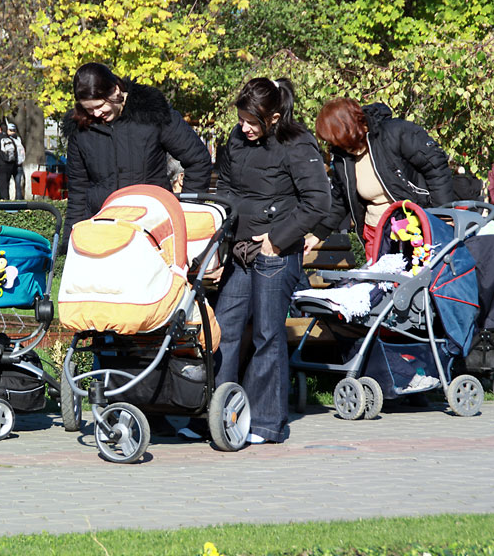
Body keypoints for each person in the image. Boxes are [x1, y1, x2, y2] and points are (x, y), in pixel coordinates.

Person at [212, 78, 331, 444]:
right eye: (242, 118)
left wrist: (277, 241)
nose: (244, 127)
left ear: (274, 117)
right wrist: (221, 245)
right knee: (223, 331)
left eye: (252, 121)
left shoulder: (297, 144)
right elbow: (227, 191)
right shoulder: (235, 139)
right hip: (238, 250)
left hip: (275, 255)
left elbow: (318, 202)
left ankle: (265, 423)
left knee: (267, 334)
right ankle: (215, 414)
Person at [61, 62, 213, 248]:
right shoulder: (80, 128)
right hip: (101, 232)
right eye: (89, 109)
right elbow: (78, 191)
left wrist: (186, 212)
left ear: (116, 91)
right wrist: (70, 243)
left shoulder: (153, 112)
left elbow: (198, 160)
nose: (96, 113)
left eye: (100, 106)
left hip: (151, 230)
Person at [313, 98, 454, 258]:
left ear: (349, 129)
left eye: (337, 140)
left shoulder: (395, 132)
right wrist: (318, 234)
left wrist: (442, 215)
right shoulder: (342, 158)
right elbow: (340, 199)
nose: (335, 145)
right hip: (376, 234)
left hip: (415, 227)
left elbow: (436, 168)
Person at [0, 121, 26, 199]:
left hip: (0, 166)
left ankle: (5, 202)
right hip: (10, 165)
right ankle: (9, 200)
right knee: (8, 184)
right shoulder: (11, 140)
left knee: (2, 186)